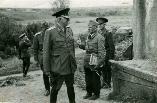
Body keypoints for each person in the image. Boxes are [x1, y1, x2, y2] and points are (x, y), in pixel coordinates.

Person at [43, 7, 77, 103]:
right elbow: (46, 52)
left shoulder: (69, 30)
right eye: (66, 18)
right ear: (59, 19)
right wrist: (47, 69)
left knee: (70, 87)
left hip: (69, 66)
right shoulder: (50, 32)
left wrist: (74, 63)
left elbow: (72, 49)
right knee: (55, 89)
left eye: (68, 18)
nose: (68, 20)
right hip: (58, 67)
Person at [77, 20, 106, 100]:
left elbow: (102, 52)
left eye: (90, 27)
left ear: (95, 27)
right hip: (87, 61)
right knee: (88, 78)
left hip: (95, 61)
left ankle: (96, 94)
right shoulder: (88, 36)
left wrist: (99, 63)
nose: (89, 29)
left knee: (95, 79)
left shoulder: (100, 38)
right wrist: (80, 45)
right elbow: (87, 48)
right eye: (88, 27)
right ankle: (89, 93)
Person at [96, 17, 115, 88]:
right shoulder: (98, 33)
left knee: (107, 68)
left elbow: (111, 47)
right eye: (98, 24)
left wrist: (111, 57)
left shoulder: (108, 33)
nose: (99, 26)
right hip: (100, 54)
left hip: (107, 54)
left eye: (101, 24)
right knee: (101, 68)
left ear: (104, 24)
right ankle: (103, 82)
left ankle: (108, 83)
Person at [33, 22, 50, 96]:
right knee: (45, 72)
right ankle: (47, 89)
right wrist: (36, 60)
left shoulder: (51, 35)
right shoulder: (37, 36)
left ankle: (53, 85)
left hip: (51, 56)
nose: (46, 29)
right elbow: (35, 49)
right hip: (42, 57)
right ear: (41, 28)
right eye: (44, 28)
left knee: (54, 72)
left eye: (47, 28)